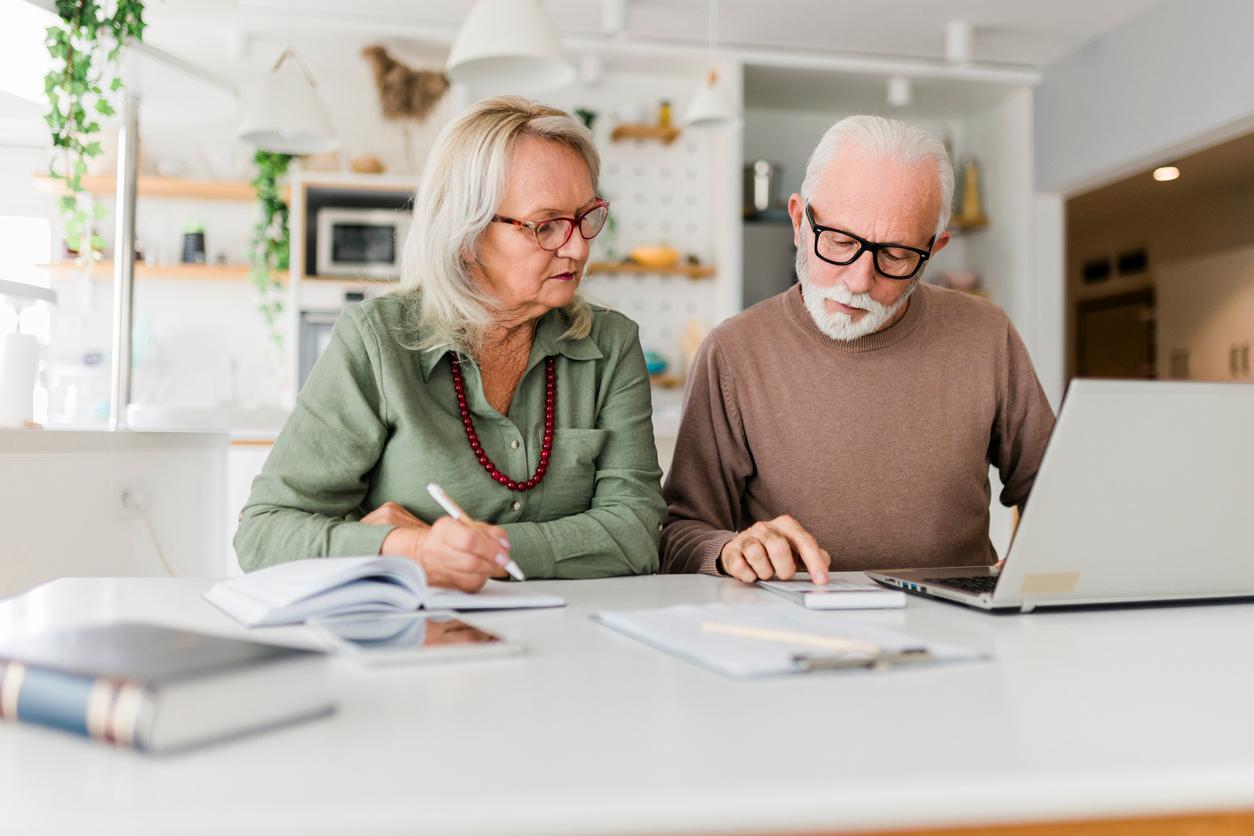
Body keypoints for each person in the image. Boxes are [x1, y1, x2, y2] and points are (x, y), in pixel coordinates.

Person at [236, 96, 665, 591]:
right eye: (545, 225)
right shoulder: (378, 340)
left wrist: (480, 552)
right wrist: (405, 549)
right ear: (466, 232)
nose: (578, 246)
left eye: (586, 217)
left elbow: (636, 532)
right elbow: (263, 535)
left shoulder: (611, 344)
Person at [660, 115, 1055, 584]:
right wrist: (729, 549)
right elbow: (679, 533)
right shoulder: (733, 351)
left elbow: (1053, 487)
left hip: (961, 623)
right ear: (798, 221)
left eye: (896, 255)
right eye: (841, 241)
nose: (859, 280)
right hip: (796, 626)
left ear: (937, 248)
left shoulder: (986, 333)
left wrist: (1042, 561)